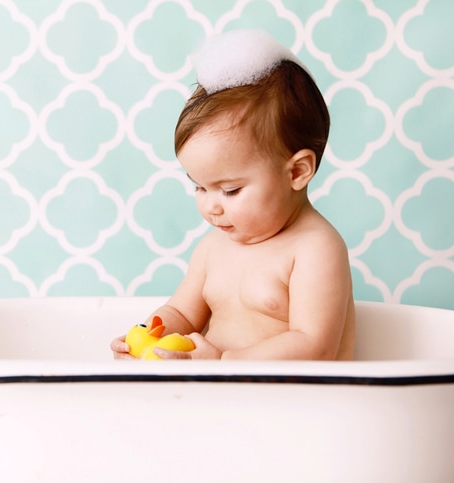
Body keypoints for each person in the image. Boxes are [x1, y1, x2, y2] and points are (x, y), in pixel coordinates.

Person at [111, 30, 355, 360]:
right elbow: (182, 314)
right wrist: (148, 335)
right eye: (199, 186)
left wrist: (224, 363)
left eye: (230, 190)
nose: (210, 206)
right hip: (221, 401)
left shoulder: (315, 249)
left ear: (296, 172)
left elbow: (315, 346)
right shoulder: (213, 249)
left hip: (294, 406)